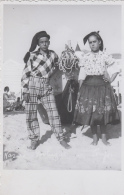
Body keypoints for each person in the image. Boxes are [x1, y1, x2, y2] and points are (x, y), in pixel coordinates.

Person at [21, 31, 71, 150]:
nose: (44, 44)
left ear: (49, 42)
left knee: (54, 113)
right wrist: (25, 90)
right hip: (32, 84)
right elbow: (25, 73)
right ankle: (34, 140)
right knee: (31, 114)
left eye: (46, 42)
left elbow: (60, 65)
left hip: (46, 85)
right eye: (41, 42)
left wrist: (68, 55)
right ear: (38, 43)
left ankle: (61, 138)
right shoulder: (32, 55)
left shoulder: (53, 55)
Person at [73, 31, 120, 146]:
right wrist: (80, 89)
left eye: (94, 42)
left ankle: (104, 138)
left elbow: (116, 69)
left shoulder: (105, 55)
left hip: (102, 87)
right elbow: (82, 75)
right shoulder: (85, 57)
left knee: (102, 113)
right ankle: (94, 138)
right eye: (90, 42)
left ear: (99, 42)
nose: (92, 44)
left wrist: (110, 80)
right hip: (88, 87)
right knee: (92, 113)